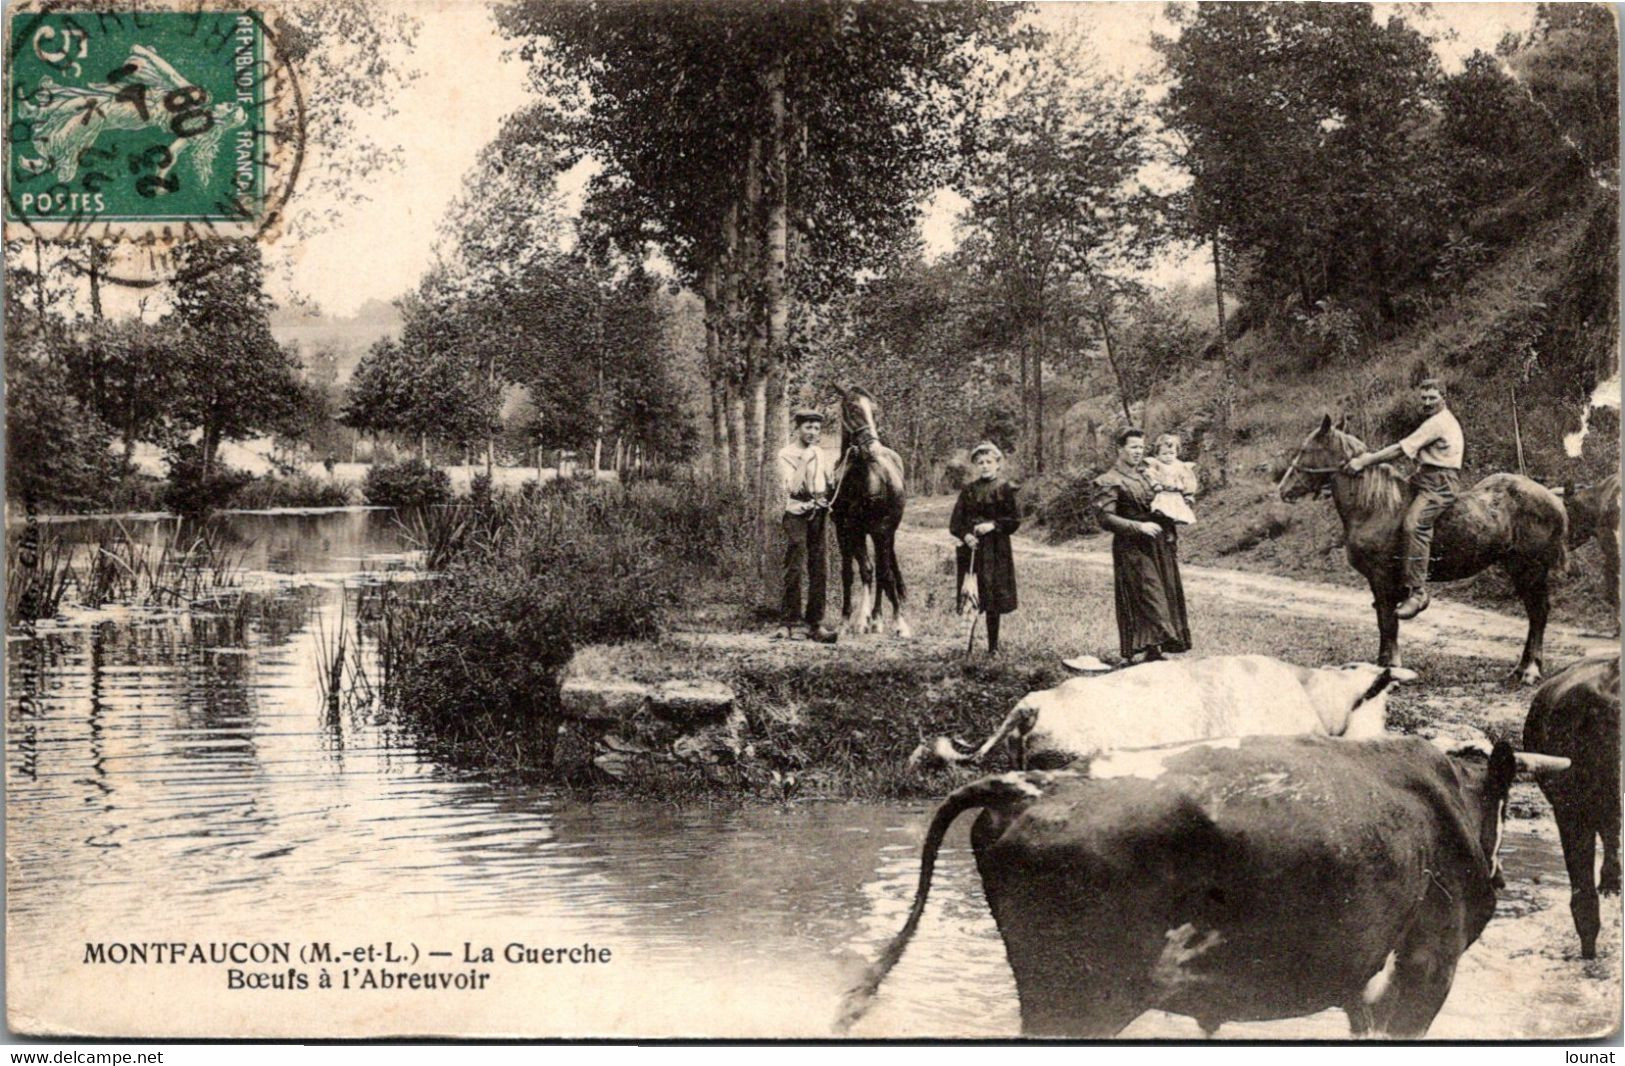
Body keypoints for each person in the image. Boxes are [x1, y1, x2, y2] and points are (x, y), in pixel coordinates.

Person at [1343, 378, 1463, 619]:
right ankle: (1397, 580)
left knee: (1414, 525)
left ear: (1443, 397)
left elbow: (1400, 449)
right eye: (1424, 398)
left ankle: (1418, 593)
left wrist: (1365, 460)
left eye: (1432, 397)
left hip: (1440, 484)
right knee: (1391, 516)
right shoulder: (1433, 421)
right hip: (1424, 478)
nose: (1427, 402)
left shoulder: (1439, 423)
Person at [1091, 427, 1191, 664]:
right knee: (1148, 593)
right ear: (1120, 449)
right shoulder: (1109, 479)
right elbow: (1105, 518)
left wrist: (1174, 519)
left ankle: (1154, 650)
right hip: (1132, 546)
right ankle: (1145, 647)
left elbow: (1164, 503)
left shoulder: (1149, 475)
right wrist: (1139, 527)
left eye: (1141, 447)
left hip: (1157, 543)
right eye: (1133, 447)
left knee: (1164, 592)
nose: (1138, 452)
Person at [950, 441, 1020, 655]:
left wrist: (993, 525)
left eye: (989, 462)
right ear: (975, 466)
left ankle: (993, 647)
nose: (985, 466)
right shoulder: (968, 491)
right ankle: (966, 645)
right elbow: (955, 523)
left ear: (998, 464)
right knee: (971, 595)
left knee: (992, 597)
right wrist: (966, 535)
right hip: (972, 551)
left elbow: (1014, 520)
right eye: (980, 462)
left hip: (996, 550)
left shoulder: (1005, 489)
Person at [776, 409, 836, 641]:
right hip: (796, 513)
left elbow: (826, 482)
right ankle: (788, 622)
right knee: (795, 564)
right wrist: (805, 459)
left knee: (819, 567)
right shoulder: (786, 454)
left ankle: (815, 624)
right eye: (808, 427)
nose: (812, 432)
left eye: (817, 428)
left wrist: (826, 496)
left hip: (818, 513)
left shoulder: (821, 453)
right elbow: (793, 487)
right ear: (797, 428)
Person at [1145, 432, 1199, 526]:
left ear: (1177, 453)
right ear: (1157, 454)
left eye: (1171, 453)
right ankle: (1161, 516)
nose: (1168, 456)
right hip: (1163, 492)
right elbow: (1150, 475)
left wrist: (1188, 494)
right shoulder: (1156, 464)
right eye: (1164, 454)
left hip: (1176, 494)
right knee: (1161, 508)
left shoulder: (1180, 466)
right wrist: (1155, 484)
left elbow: (1188, 480)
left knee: (1177, 510)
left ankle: (1176, 519)